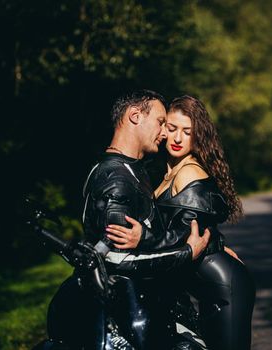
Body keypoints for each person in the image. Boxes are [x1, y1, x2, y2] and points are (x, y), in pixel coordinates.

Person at [48, 89, 211, 350]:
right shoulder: (116, 178)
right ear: (135, 116)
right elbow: (116, 260)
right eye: (160, 123)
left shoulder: (133, 169)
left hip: (145, 304)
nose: (165, 133)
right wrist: (188, 253)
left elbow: (156, 230)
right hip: (133, 313)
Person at [107, 95, 256, 350]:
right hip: (202, 280)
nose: (177, 138)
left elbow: (187, 235)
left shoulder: (189, 172)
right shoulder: (164, 171)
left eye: (187, 132)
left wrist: (143, 237)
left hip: (224, 284)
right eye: (172, 128)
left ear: (197, 136)